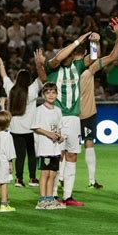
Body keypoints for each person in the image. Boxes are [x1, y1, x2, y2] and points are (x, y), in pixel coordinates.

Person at [45, 31, 98, 207]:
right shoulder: (52, 67)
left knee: (72, 156)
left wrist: (94, 43)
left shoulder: (78, 66)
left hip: (74, 119)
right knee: (56, 156)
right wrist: (76, 42)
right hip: (57, 118)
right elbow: (59, 57)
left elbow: (94, 57)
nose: (68, 56)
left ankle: (68, 196)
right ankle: (52, 195)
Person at [80, 19, 118, 189]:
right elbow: (108, 56)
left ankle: (62, 180)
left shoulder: (69, 69)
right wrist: (115, 37)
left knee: (67, 149)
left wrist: (94, 42)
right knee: (86, 144)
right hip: (83, 113)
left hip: (74, 114)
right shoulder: (89, 70)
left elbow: (95, 56)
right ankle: (90, 181)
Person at [0, 50, 47, 188]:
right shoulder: (31, 91)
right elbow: (43, 78)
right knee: (31, 155)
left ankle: (18, 179)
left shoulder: (11, 89)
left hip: (14, 129)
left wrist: (1, 63)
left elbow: (4, 75)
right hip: (30, 130)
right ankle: (32, 178)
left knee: (19, 155)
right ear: (28, 80)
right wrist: (39, 65)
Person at [32, 82, 66, 210]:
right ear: (43, 95)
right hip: (44, 147)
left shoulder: (58, 110)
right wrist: (49, 134)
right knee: (45, 173)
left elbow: (59, 127)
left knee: (53, 174)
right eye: (48, 92)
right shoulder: (39, 110)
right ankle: (42, 200)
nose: (51, 95)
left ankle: (50, 198)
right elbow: (35, 127)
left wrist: (59, 136)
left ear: (57, 94)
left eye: (53, 92)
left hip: (55, 147)